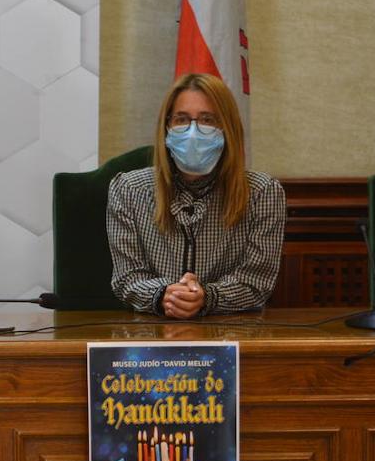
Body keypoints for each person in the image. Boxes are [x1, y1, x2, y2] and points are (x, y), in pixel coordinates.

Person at [106, 73, 286, 318]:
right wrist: (165, 295)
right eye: (181, 119)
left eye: (207, 120)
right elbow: (127, 278)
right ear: (167, 127)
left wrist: (206, 297)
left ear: (228, 128)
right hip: (151, 332)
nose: (193, 132)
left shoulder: (262, 193)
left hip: (231, 330)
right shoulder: (128, 189)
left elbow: (256, 282)